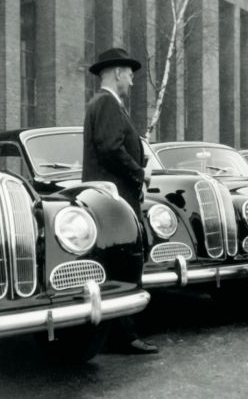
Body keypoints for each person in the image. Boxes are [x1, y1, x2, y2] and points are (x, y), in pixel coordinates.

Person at [83, 47, 158, 354]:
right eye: (129, 74)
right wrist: (140, 174)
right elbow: (111, 149)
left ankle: (119, 334)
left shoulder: (102, 104)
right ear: (117, 73)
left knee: (115, 265)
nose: (132, 81)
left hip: (112, 199)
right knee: (123, 265)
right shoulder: (107, 104)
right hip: (115, 203)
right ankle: (124, 337)